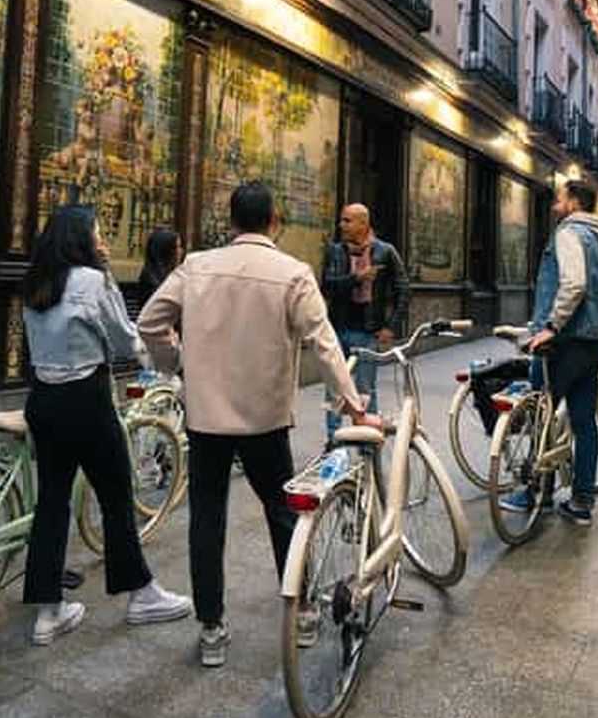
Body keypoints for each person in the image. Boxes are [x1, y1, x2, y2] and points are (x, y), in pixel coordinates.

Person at [137, 181, 374, 667]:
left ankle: (212, 628)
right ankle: (304, 609)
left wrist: (176, 364)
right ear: (274, 221)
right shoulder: (292, 273)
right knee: (283, 512)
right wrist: (352, 403)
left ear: (231, 221)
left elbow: (149, 321)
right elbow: (323, 342)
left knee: (206, 517)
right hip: (265, 418)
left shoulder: (197, 265)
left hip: (207, 418)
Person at [22, 205, 192, 646]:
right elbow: (121, 337)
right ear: (80, 238)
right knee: (117, 496)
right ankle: (141, 594)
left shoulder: (37, 280)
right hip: (86, 398)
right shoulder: (93, 280)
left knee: (52, 502)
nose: (102, 240)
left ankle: (48, 611)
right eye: (97, 232)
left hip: (42, 399)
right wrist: (157, 360)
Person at [501, 180, 598, 528]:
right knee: (583, 421)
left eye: (559, 200)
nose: (555, 207)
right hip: (595, 339)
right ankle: (582, 501)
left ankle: (537, 493)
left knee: (540, 413)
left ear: (574, 203)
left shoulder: (570, 233)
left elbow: (575, 284)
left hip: (564, 342)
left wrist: (551, 325)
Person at [320, 203, 409, 445]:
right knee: (334, 390)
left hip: (368, 332)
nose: (342, 225)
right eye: (342, 220)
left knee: (365, 391)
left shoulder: (385, 251)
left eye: (347, 220)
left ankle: (368, 443)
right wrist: (356, 278)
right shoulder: (335, 251)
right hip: (338, 328)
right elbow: (326, 285)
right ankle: (333, 443)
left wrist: (391, 325)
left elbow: (403, 288)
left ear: (363, 223)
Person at [137, 229, 184, 309]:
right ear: (167, 251)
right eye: (177, 247)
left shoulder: (170, 274)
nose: (181, 251)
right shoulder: (151, 281)